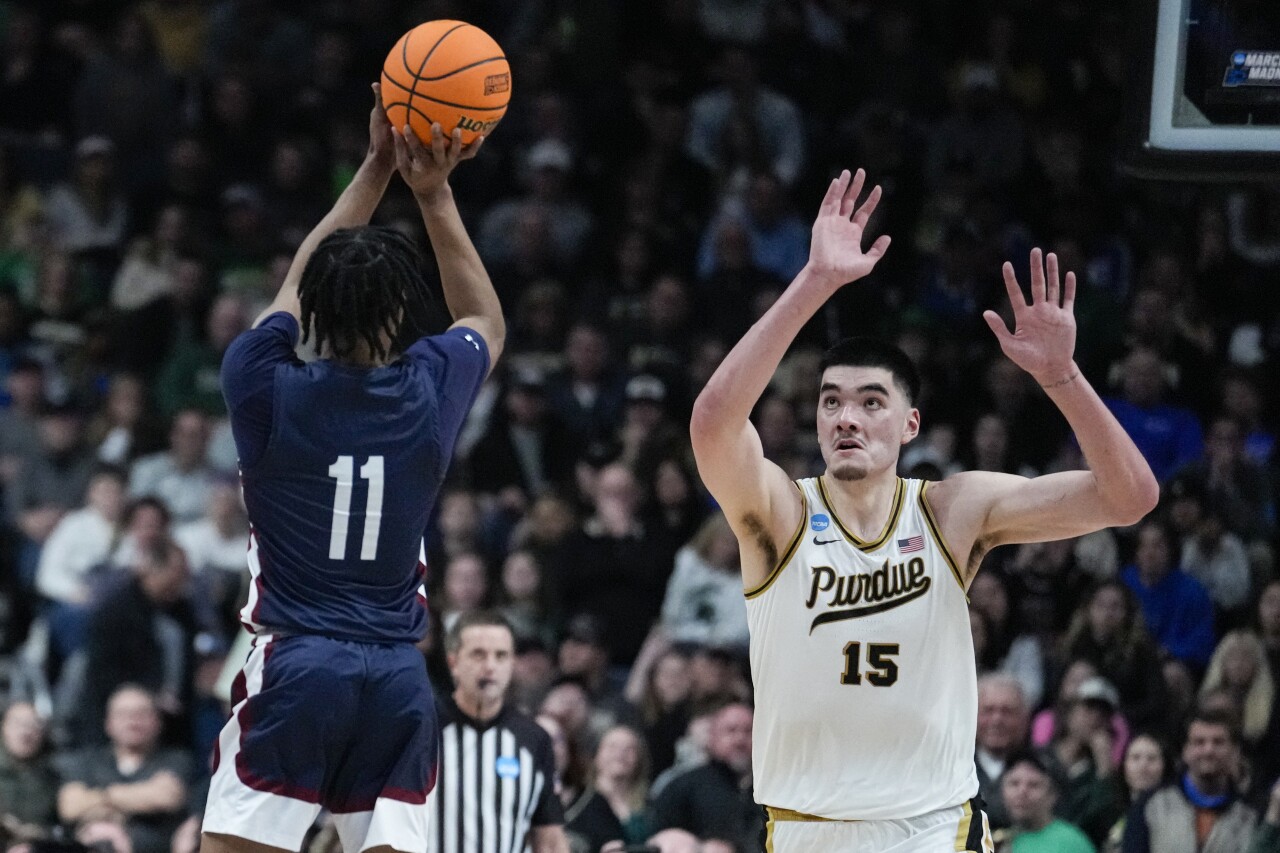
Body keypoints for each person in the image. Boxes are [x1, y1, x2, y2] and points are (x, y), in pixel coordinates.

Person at [688, 168, 1159, 851]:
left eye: (870, 402)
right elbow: (712, 424)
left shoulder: (950, 511)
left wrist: (1062, 377)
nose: (847, 417)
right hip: (806, 830)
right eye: (831, 401)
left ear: (910, 424)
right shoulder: (781, 515)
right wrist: (815, 283)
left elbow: (1130, 496)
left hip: (935, 828)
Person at [200, 86, 504, 853]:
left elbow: (291, 291)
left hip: (298, 663)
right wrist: (431, 195)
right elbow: (483, 320)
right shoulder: (433, 384)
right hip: (398, 679)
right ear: (402, 311)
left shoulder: (261, 384)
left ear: (315, 310)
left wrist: (373, 168)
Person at [428, 611, 568, 853]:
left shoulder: (534, 740)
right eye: (478, 655)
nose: (490, 667)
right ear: (454, 663)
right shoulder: (423, 732)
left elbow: (550, 840)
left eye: (501, 656)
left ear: (512, 664)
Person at [57, 685, 193, 853]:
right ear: (108, 723)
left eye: (142, 713)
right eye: (123, 714)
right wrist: (138, 797)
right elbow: (70, 806)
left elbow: (166, 797)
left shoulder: (176, 759)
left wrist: (101, 799)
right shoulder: (87, 761)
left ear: (158, 722)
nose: (133, 720)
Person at [1121, 709, 1259, 853]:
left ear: (1235, 751)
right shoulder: (1150, 805)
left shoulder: (1251, 814)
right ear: (1185, 751)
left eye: (1218, 742)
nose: (1208, 750)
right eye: (1199, 742)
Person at [647, 701, 762, 850]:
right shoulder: (682, 787)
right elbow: (661, 841)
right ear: (712, 737)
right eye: (731, 731)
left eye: (748, 731)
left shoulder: (773, 789)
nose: (740, 739)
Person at [997, 751, 1096, 853]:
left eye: (1033, 785)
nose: (1021, 792)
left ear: (1052, 795)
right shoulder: (996, 840)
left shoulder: (1071, 842)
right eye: (1014, 784)